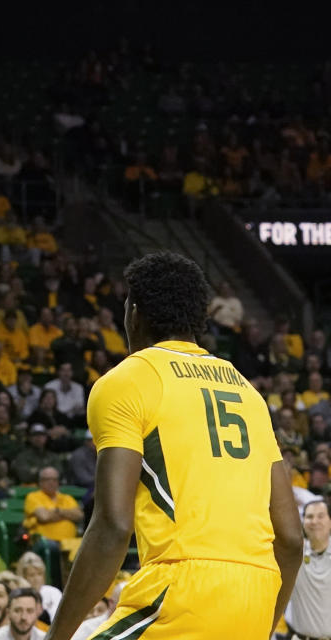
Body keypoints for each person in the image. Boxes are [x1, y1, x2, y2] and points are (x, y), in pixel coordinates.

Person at [45, 253, 304, 640]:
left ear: (134, 311)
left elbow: (114, 525)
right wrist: (262, 623)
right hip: (258, 596)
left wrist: (56, 636)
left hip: (181, 590)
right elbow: (290, 537)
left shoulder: (126, 381)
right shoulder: (247, 391)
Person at [284, 498, 331, 639]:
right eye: (309, 517)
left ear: (330, 521)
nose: (314, 521)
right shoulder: (293, 554)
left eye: (321, 516)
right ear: (303, 522)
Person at [23, 467, 83, 542]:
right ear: (40, 482)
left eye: (54, 480)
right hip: (45, 542)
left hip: (70, 542)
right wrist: (67, 515)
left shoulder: (67, 498)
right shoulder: (33, 497)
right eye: (47, 479)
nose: (51, 483)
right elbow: (44, 517)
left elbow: (79, 515)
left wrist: (57, 511)